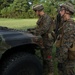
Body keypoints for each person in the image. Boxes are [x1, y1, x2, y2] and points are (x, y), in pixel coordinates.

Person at [28, 4, 54, 75]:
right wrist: (31, 29)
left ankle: (51, 72)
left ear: (39, 11)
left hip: (48, 40)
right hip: (42, 39)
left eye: (35, 11)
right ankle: (45, 70)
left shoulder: (47, 18)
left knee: (48, 56)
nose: (35, 13)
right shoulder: (41, 18)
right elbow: (38, 27)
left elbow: (43, 29)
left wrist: (33, 32)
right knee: (43, 56)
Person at [55, 2, 75, 75]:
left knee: (68, 72)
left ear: (67, 11)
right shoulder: (64, 23)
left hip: (67, 58)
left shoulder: (70, 25)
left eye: (61, 9)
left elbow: (66, 45)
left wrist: (61, 59)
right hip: (63, 56)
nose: (60, 11)